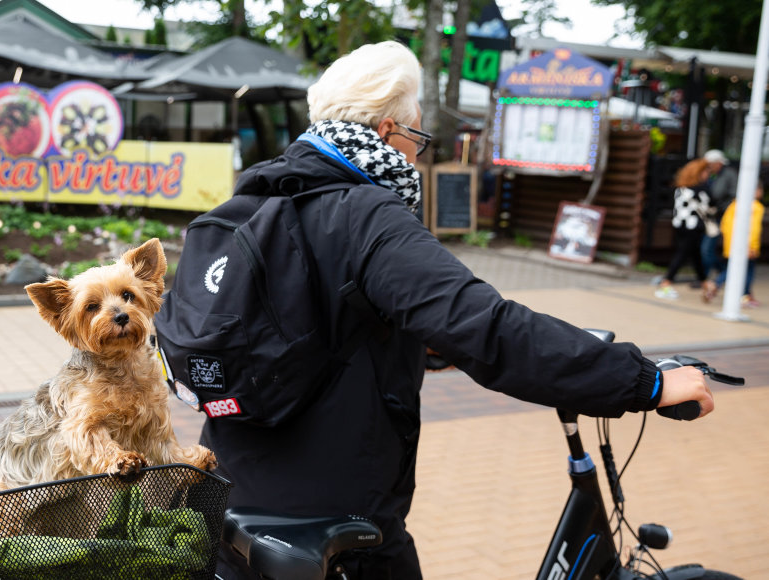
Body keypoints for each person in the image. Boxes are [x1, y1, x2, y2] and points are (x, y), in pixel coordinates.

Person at [199, 41, 714, 579]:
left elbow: (300, 331)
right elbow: (488, 329)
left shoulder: (254, 205)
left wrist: (413, 342)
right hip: (339, 525)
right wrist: (646, 382)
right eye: (417, 136)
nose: (417, 153)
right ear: (385, 133)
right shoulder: (367, 214)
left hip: (233, 502)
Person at [654, 158, 713, 300]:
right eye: (706, 171)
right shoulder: (701, 190)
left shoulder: (680, 189)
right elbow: (710, 207)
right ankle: (666, 282)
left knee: (694, 254)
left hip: (680, 225)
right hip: (694, 226)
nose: (708, 175)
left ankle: (705, 283)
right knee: (683, 254)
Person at [702, 182, 764, 307]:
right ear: (757, 191)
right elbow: (754, 229)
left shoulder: (733, 205)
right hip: (747, 247)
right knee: (747, 272)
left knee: (732, 269)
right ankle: (744, 295)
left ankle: (715, 284)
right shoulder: (756, 207)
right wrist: (752, 247)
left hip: (731, 245)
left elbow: (724, 225)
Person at [700, 149, 738, 279]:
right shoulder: (711, 175)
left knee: (707, 248)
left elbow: (721, 194)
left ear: (718, 163)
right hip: (710, 215)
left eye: (710, 164)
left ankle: (722, 274)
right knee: (706, 248)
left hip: (722, 215)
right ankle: (719, 274)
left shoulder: (729, 174)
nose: (708, 167)